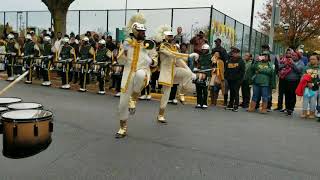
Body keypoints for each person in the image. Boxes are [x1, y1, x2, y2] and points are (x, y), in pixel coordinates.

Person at [115, 13, 158, 138]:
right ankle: (122, 127)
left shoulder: (149, 44)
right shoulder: (126, 43)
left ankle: (134, 98)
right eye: (140, 31)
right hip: (127, 74)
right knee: (122, 104)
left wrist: (151, 61)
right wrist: (125, 50)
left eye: (144, 31)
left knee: (139, 74)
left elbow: (155, 58)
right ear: (134, 31)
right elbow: (120, 61)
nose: (143, 33)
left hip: (143, 71)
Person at [157, 28, 197, 123]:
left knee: (187, 73)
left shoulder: (174, 47)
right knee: (166, 95)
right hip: (166, 73)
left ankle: (181, 93)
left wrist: (191, 72)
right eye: (169, 36)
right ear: (165, 37)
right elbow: (173, 55)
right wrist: (188, 55)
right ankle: (160, 115)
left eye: (172, 36)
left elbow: (179, 60)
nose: (171, 37)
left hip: (174, 70)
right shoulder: (162, 47)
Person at [224, 47, 245, 112]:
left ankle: (236, 106)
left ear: (238, 53)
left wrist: (239, 79)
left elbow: (242, 71)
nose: (234, 54)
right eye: (233, 53)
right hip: (230, 79)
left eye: (235, 53)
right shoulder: (229, 60)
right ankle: (230, 105)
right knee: (232, 93)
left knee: (236, 93)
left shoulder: (241, 61)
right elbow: (226, 69)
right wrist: (226, 77)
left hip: (237, 80)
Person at [195, 44, 211, 108]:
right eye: (203, 49)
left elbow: (213, 65)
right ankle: (199, 103)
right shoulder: (200, 56)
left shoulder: (210, 56)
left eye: (205, 50)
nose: (204, 51)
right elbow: (198, 64)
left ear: (207, 50)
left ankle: (205, 103)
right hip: (199, 73)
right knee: (198, 88)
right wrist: (197, 67)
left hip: (207, 74)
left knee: (205, 89)